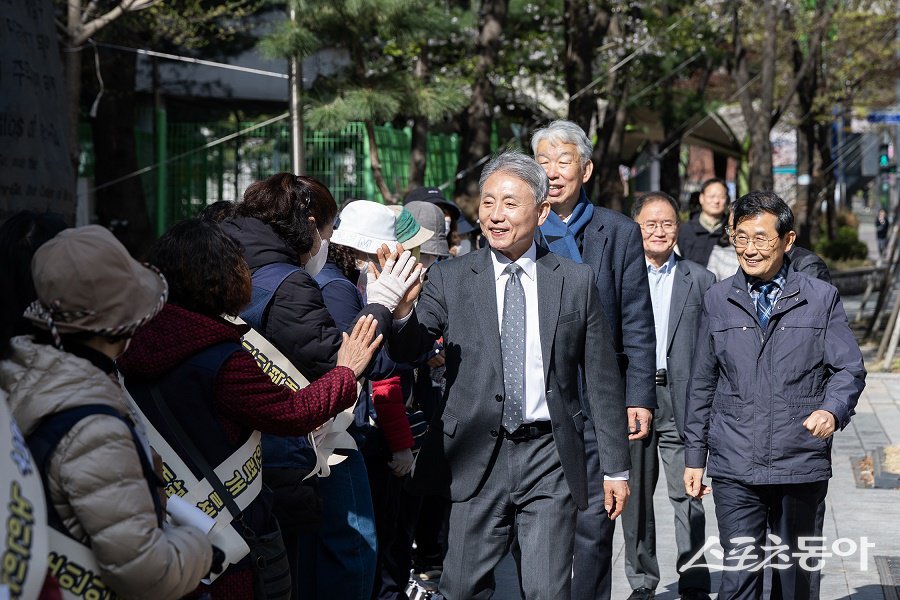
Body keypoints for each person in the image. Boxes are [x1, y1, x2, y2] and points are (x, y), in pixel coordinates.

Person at [382, 150, 629, 599]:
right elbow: (410, 348)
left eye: (510, 204)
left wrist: (616, 468)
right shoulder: (452, 278)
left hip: (549, 456)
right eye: (488, 202)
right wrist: (400, 314)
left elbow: (602, 379)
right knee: (461, 589)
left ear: (541, 211)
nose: (495, 216)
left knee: (547, 590)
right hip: (475, 454)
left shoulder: (574, 281)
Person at [119, 218, 383, 598]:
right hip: (227, 526)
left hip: (165, 516)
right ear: (223, 277)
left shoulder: (137, 339)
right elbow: (291, 413)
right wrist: (346, 373)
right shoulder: (219, 357)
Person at [0, 226, 213, 600]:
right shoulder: (96, 426)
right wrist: (199, 544)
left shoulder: (23, 374)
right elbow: (147, 572)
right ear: (124, 326)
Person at [219, 174, 398, 600]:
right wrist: (382, 305)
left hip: (237, 440)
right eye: (328, 230)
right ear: (312, 225)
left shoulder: (228, 259)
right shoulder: (289, 281)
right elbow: (339, 360)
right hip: (296, 438)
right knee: (343, 551)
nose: (328, 241)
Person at [683, 191, 866, 600]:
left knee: (795, 578)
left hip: (798, 458)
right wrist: (694, 457)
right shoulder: (718, 298)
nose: (750, 249)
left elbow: (848, 369)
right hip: (734, 463)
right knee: (739, 575)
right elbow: (702, 382)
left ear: (787, 240)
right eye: (741, 238)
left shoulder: (819, 299)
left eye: (761, 238)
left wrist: (832, 411)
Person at [531, 119, 654, 600]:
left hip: (598, 401)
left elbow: (638, 319)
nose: (554, 172)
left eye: (564, 162)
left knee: (596, 523)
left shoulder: (618, 231)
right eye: (543, 162)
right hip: (541, 398)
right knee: (540, 524)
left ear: (585, 169)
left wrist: (638, 394)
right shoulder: (522, 229)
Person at [623, 192, 715, 600]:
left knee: (688, 493)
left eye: (667, 224)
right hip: (635, 398)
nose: (659, 231)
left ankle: (694, 580)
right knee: (637, 497)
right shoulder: (621, 277)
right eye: (650, 224)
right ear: (636, 227)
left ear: (678, 228)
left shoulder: (700, 278)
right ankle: (642, 582)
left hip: (682, 401)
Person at [677, 178, 729, 266]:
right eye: (711, 196)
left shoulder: (730, 231)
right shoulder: (685, 230)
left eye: (721, 197)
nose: (716, 201)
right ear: (701, 198)